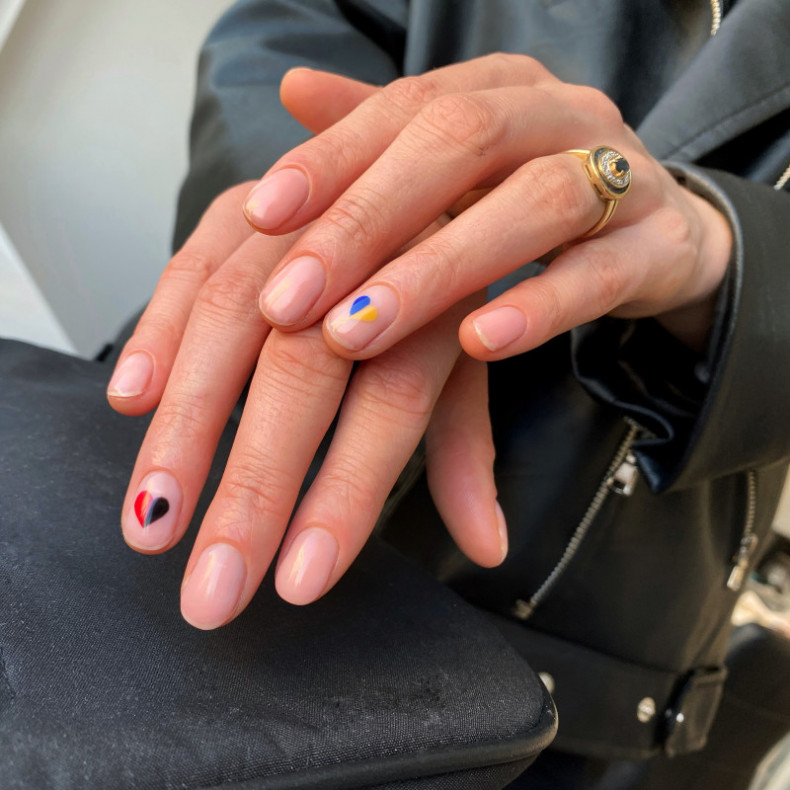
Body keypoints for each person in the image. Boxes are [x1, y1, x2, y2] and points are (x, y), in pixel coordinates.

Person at [103, 0, 790, 786]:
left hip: (586, 675)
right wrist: (350, 209)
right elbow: (294, 29)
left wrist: (721, 258)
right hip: (226, 453)